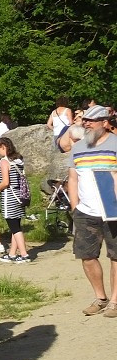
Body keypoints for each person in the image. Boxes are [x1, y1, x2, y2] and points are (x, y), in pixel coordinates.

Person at [67, 105, 117, 316]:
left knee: (115, 256)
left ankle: (115, 301)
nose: (85, 123)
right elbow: (73, 177)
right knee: (87, 256)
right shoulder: (78, 148)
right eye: (84, 120)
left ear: (105, 123)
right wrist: (74, 206)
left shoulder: (115, 145)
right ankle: (100, 298)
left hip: (113, 210)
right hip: (85, 212)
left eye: (91, 121)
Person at [0, 137, 30, 263]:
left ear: (3, 146)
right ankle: (12, 253)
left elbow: (6, 182)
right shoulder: (18, 160)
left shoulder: (4, 161)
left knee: (14, 227)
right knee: (16, 225)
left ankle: (24, 254)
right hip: (20, 195)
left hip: (10, 197)